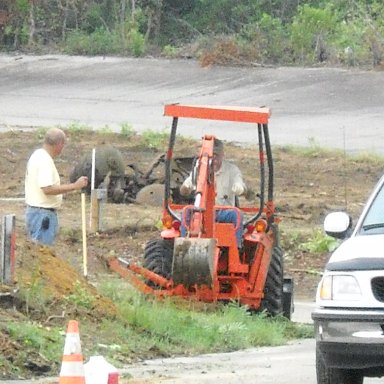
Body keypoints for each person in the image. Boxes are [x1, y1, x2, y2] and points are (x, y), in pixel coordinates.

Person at [25, 128, 88, 246]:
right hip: (43, 215)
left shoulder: (37, 155)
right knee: (43, 253)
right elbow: (47, 189)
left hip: (36, 213)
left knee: (37, 252)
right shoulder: (45, 161)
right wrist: (74, 186)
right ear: (59, 144)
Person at [180, 138, 246, 247]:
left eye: (216, 155)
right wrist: (186, 187)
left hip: (224, 212)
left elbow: (241, 185)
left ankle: (236, 247)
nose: (213, 159)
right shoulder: (200, 169)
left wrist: (240, 188)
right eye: (211, 156)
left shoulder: (231, 170)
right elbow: (184, 190)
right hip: (201, 211)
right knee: (185, 211)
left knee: (237, 214)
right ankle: (184, 246)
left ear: (222, 155)